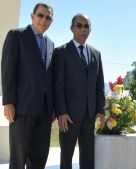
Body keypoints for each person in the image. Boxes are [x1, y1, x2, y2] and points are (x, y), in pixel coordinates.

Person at [1, 2, 55, 169]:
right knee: (18, 157)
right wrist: (8, 102)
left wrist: (53, 107)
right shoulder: (16, 36)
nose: (43, 20)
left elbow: (50, 78)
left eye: (48, 17)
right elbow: (7, 70)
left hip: (45, 111)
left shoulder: (51, 44)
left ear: (51, 21)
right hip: (22, 107)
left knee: (39, 157)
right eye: (40, 15)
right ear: (32, 16)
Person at [53, 13, 105, 169]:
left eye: (86, 26)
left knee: (88, 157)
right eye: (79, 25)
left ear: (90, 29)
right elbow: (58, 85)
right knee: (66, 157)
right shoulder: (61, 52)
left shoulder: (96, 54)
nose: (83, 29)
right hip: (68, 117)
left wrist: (100, 110)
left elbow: (99, 85)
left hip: (90, 116)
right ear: (72, 28)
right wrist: (61, 112)